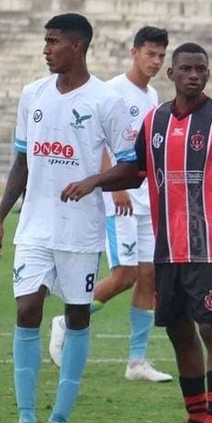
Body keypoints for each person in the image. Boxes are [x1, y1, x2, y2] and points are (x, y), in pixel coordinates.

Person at [61, 42, 212, 423]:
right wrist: (95, 180)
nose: (194, 75)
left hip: (210, 248)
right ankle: (195, 419)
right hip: (166, 250)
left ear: (207, 75)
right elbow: (135, 170)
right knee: (179, 332)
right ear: (172, 75)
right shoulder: (155, 120)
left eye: (201, 69)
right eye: (186, 69)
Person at [0, 13, 138, 423]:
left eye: (52, 41)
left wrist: (93, 180)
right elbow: (22, 161)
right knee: (26, 309)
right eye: (45, 41)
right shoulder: (32, 94)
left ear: (77, 46)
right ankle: (26, 420)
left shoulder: (104, 100)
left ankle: (60, 421)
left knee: (76, 315)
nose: (45, 48)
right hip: (34, 227)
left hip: (80, 232)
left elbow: (133, 169)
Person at [48, 26, 173, 383]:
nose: (156, 61)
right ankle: (67, 320)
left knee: (149, 276)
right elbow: (100, 139)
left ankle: (137, 363)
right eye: (150, 53)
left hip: (147, 199)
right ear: (134, 52)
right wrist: (114, 184)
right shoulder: (112, 91)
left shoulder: (151, 97)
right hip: (123, 200)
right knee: (125, 275)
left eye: (161, 55)